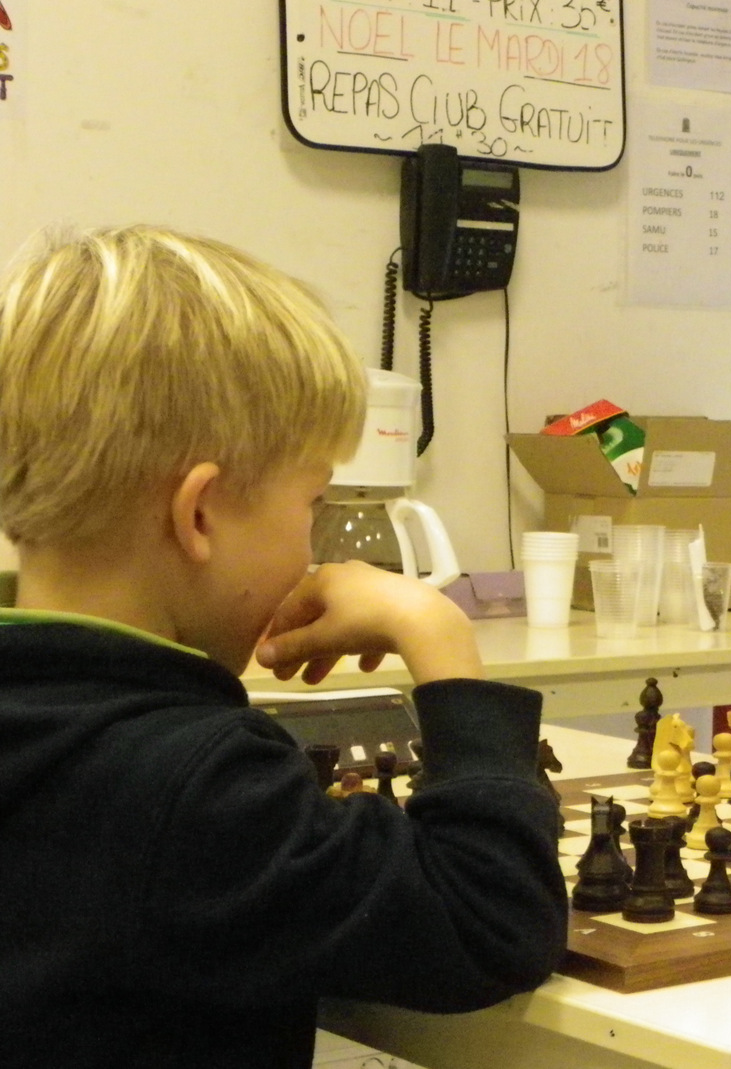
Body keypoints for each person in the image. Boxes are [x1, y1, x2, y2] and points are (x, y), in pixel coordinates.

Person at [0, 225, 567, 1065]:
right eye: (313, 504)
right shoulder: (199, 784)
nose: (315, 541)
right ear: (200, 514)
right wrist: (437, 632)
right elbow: (491, 921)